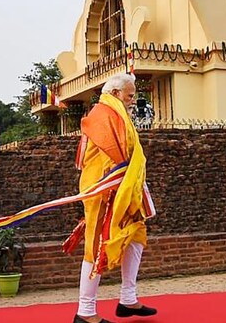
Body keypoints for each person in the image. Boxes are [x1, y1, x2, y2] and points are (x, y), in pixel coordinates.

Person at [70, 73, 157, 323]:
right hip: (103, 191)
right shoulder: (103, 114)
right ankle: (85, 312)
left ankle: (128, 298)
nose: (133, 100)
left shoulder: (117, 115)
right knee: (96, 246)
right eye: (130, 95)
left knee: (136, 236)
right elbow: (117, 155)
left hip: (124, 188)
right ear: (116, 93)